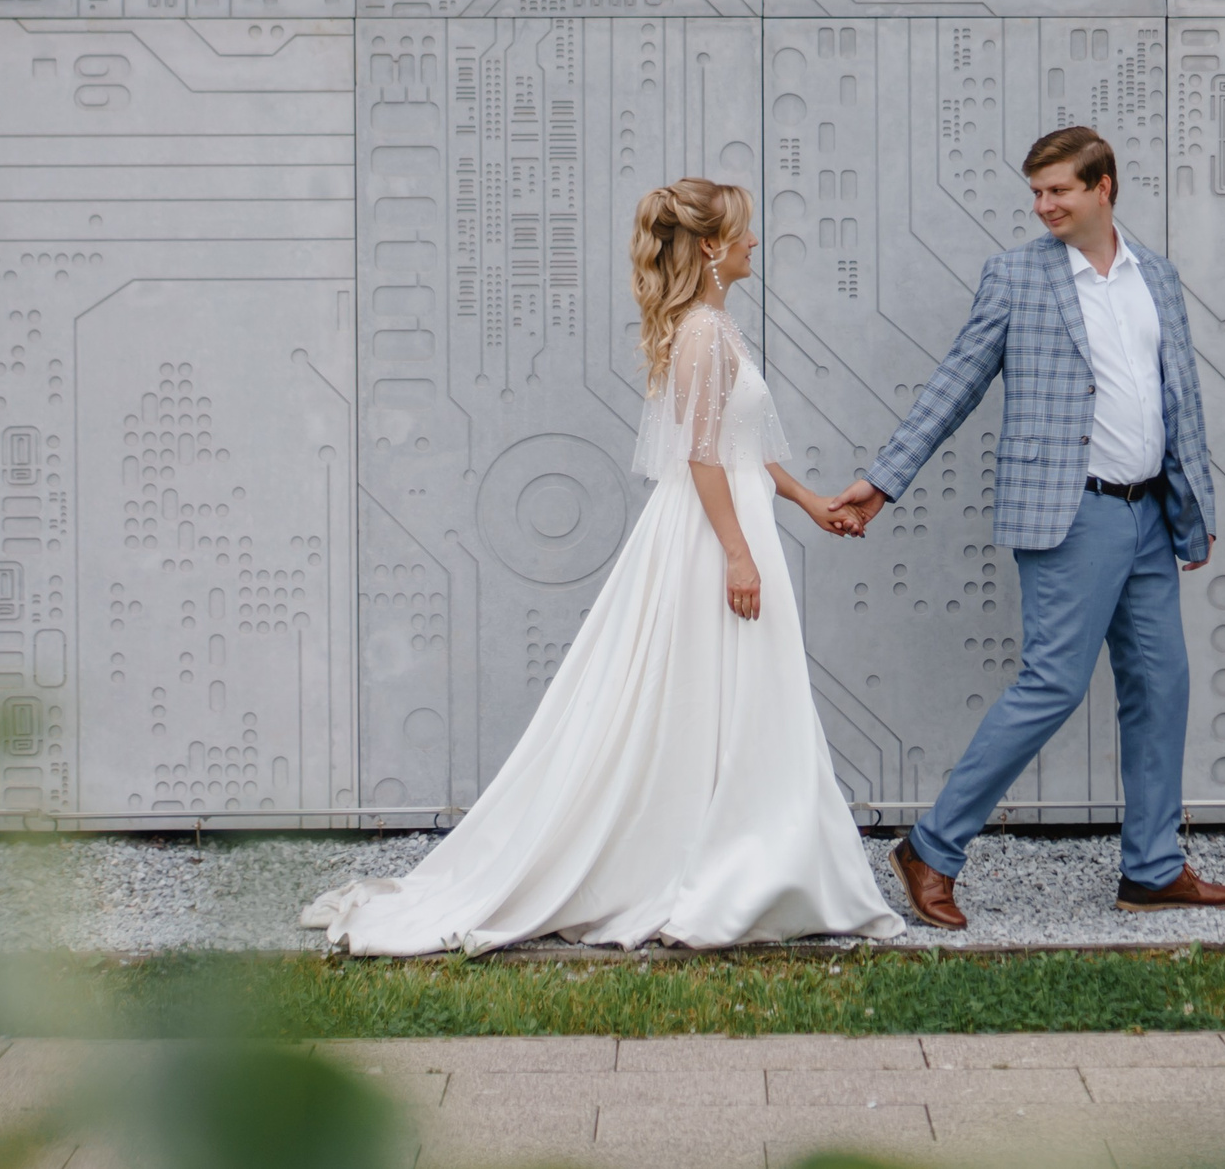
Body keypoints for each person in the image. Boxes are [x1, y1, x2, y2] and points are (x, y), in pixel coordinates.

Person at [302, 178, 903, 954]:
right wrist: (740, 553)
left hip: (730, 522)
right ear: (714, 247)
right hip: (714, 536)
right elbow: (701, 458)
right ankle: (722, 865)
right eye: (745, 233)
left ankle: (756, 858)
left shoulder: (715, 327)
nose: (757, 243)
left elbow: (743, 448)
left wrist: (810, 500)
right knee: (716, 694)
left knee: (745, 696)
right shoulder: (703, 336)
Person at [835, 126, 1225, 929]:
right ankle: (931, 847)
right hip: (1072, 512)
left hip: (1151, 513)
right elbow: (956, 382)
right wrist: (883, 480)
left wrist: (1195, 510)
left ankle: (1153, 869)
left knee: (1162, 688)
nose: (1042, 204)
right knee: (1053, 683)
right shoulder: (1017, 277)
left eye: (1058, 189)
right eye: (1036, 191)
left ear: (1104, 187)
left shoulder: (1155, 277)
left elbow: (1180, 401)